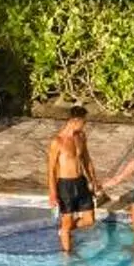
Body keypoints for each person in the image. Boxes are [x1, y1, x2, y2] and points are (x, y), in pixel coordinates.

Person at [46, 106, 98, 254]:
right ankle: (67, 258)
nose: (85, 125)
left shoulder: (81, 136)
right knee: (67, 221)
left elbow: (87, 160)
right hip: (65, 185)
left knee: (89, 220)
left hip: (80, 181)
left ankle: (64, 232)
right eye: (84, 122)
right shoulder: (57, 141)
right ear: (75, 121)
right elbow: (51, 169)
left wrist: (93, 180)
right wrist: (53, 193)